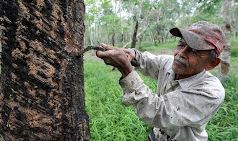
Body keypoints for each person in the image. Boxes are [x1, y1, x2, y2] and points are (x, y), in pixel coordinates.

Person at [96, 21, 226, 141]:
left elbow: (158, 113)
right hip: (157, 135)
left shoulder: (211, 91)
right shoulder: (170, 63)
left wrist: (126, 69)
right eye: (181, 44)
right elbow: (145, 60)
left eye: (194, 51)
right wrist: (130, 54)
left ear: (211, 63)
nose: (180, 53)